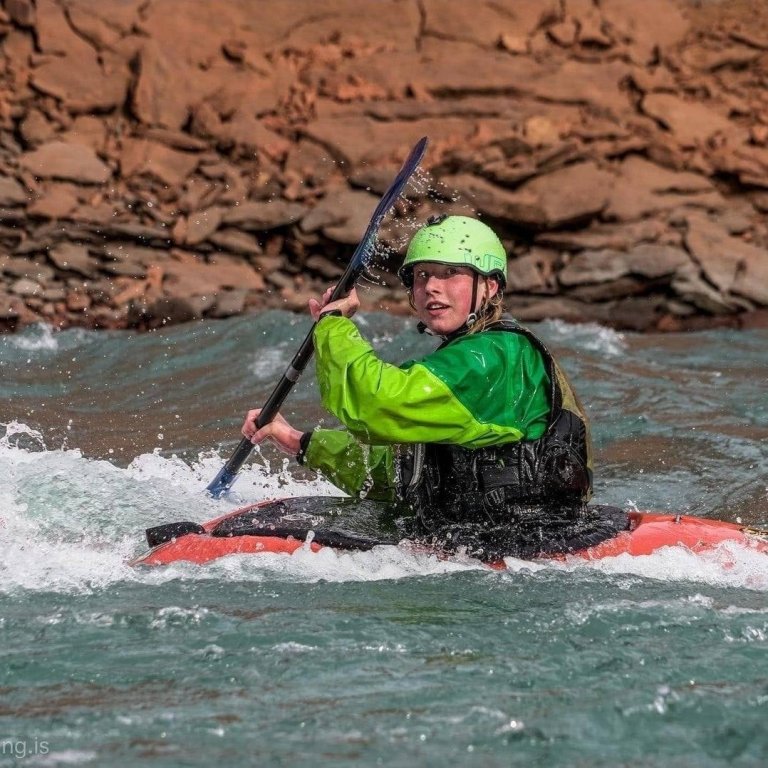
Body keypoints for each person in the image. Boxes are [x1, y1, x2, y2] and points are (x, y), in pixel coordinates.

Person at [242, 215, 625, 559]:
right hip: (477, 540)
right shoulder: (458, 362)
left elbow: (379, 405)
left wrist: (335, 327)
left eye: (450, 273)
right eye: (422, 275)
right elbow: (401, 469)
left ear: (489, 286)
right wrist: (299, 441)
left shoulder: (495, 356)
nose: (432, 287)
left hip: (531, 543)